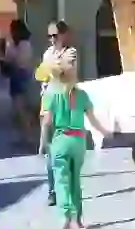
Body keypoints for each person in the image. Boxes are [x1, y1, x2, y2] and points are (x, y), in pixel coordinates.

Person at [40, 60, 111, 229]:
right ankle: (77, 220)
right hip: (78, 141)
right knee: (75, 181)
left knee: (61, 181)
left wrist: (43, 143)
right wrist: (106, 132)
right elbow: (93, 121)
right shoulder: (82, 95)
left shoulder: (51, 96)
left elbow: (46, 122)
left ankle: (65, 215)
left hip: (60, 140)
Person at [39, 20, 79, 205]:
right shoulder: (48, 53)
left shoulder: (71, 52)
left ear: (64, 35)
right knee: (50, 150)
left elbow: (65, 72)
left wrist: (51, 69)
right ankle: (52, 190)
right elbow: (42, 76)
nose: (52, 40)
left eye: (55, 35)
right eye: (50, 36)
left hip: (66, 105)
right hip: (49, 104)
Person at [2, 19, 36, 141]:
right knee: (20, 107)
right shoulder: (16, 44)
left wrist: (10, 60)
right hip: (19, 75)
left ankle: (28, 136)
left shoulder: (23, 44)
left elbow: (20, 61)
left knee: (20, 107)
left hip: (20, 75)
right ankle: (26, 135)